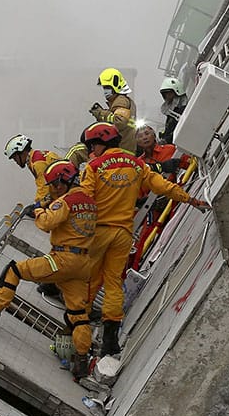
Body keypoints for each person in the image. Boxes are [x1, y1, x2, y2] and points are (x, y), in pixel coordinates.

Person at [78, 122, 209, 357]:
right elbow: (164, 186)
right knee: (114, 284)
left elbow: (84, 203)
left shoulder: (94, 167)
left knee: (89, 282)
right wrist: (191, 200)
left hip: (99, 233)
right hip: (123, 235)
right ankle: (109, 342)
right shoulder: (137, 164)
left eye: (92, 146)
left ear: (100, 144)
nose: (91, 151)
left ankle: (79, 333)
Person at [0, 161, 98, 379]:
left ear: (64, 182)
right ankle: (82, 361)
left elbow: (46, 224)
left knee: (14, 270)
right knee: (78, 314)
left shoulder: (65, 202)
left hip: (62, 260)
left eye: (55, 184)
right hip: (82, 263)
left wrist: (38, 209)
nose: (54, 189)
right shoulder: (90, 202)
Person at [4, 134, 66, 305]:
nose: (15, 162)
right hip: (64, 199)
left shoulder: (37, 162)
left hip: (65, 203)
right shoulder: (39, 156)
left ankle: (57, 285)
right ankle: (54, 283)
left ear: (20, 152)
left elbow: (44, 189)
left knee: (61, 247)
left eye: (14, 157)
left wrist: (37, 207)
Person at [90, 68, 138, 153]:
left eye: (107, 87)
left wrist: (100, 113)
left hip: (121, 150)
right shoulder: (124, 101)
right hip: (127, 149)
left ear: (116, 86)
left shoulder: (121, 100)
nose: (105, 90)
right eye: (104, 87)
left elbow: (119, 121)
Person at [158, 76, 188, 144]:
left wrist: (166, 140)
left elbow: (180, 129)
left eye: (169, 93)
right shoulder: (172, 112)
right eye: (165, 94)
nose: (167, 96)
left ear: (178, 91)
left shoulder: (182, 111)